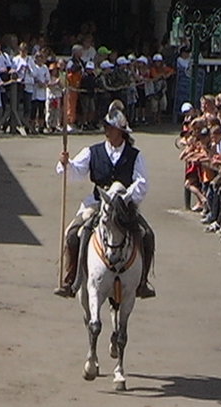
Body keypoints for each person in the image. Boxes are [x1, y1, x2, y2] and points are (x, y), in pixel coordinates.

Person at [54, 103, 155, 299]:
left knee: (147, 235)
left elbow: (142, 183)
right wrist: (65, 163)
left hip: (124, 206)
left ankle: (142, 283)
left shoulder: (135, 156)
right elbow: (75, 172)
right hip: (97, 202)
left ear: (120, 132)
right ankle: (71, 279)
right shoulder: (93, 151)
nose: (106, 130)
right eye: (106, 127)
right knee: (73, 233)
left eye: (110, 128)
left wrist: (124, 198)